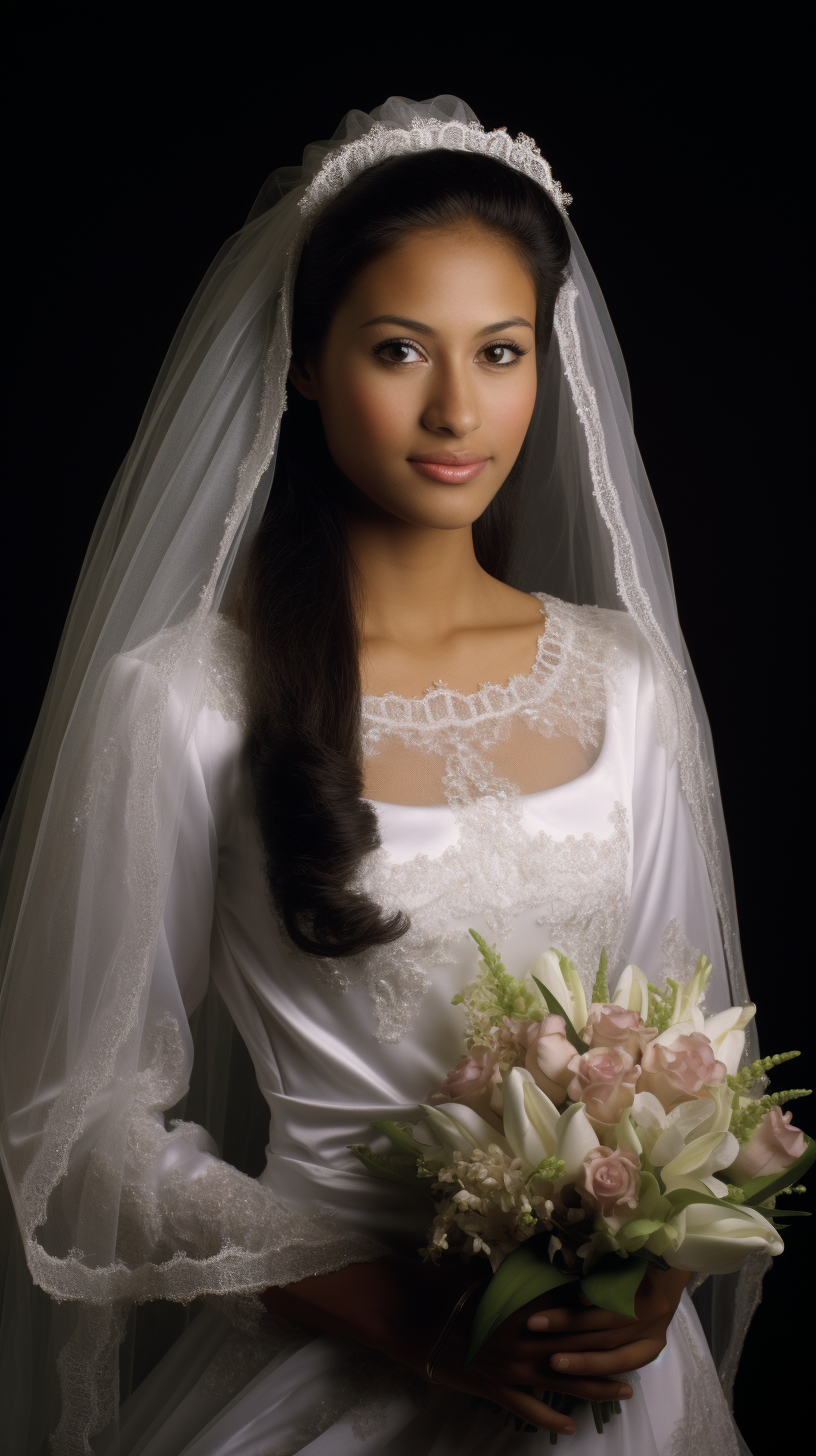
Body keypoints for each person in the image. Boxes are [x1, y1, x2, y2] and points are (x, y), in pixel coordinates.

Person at [0, 95, 763, 1455]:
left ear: (548, 364)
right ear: (305, 360)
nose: (458, 408)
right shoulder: (183, 702)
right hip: (335, 1373)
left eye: (503, 350)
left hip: (615, 1393)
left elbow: (711, 1060)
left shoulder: (625, 682)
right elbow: (86, 1131)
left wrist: (644, 1295)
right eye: (401, 349)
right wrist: (413, 1318)